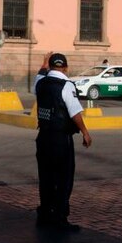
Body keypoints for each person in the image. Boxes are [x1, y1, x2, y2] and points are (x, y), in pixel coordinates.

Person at [33, 52, 92, 232]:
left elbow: (40, 73)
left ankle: (45, 213)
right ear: (65, 68)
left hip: (43, 138)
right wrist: (85, 132)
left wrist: (43, 63)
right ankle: (60, 218)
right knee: (63, 178)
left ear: (50, 66)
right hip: (60, 139)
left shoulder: (39, 83)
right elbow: (74, 112)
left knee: (46, 177)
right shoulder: (66, 86)